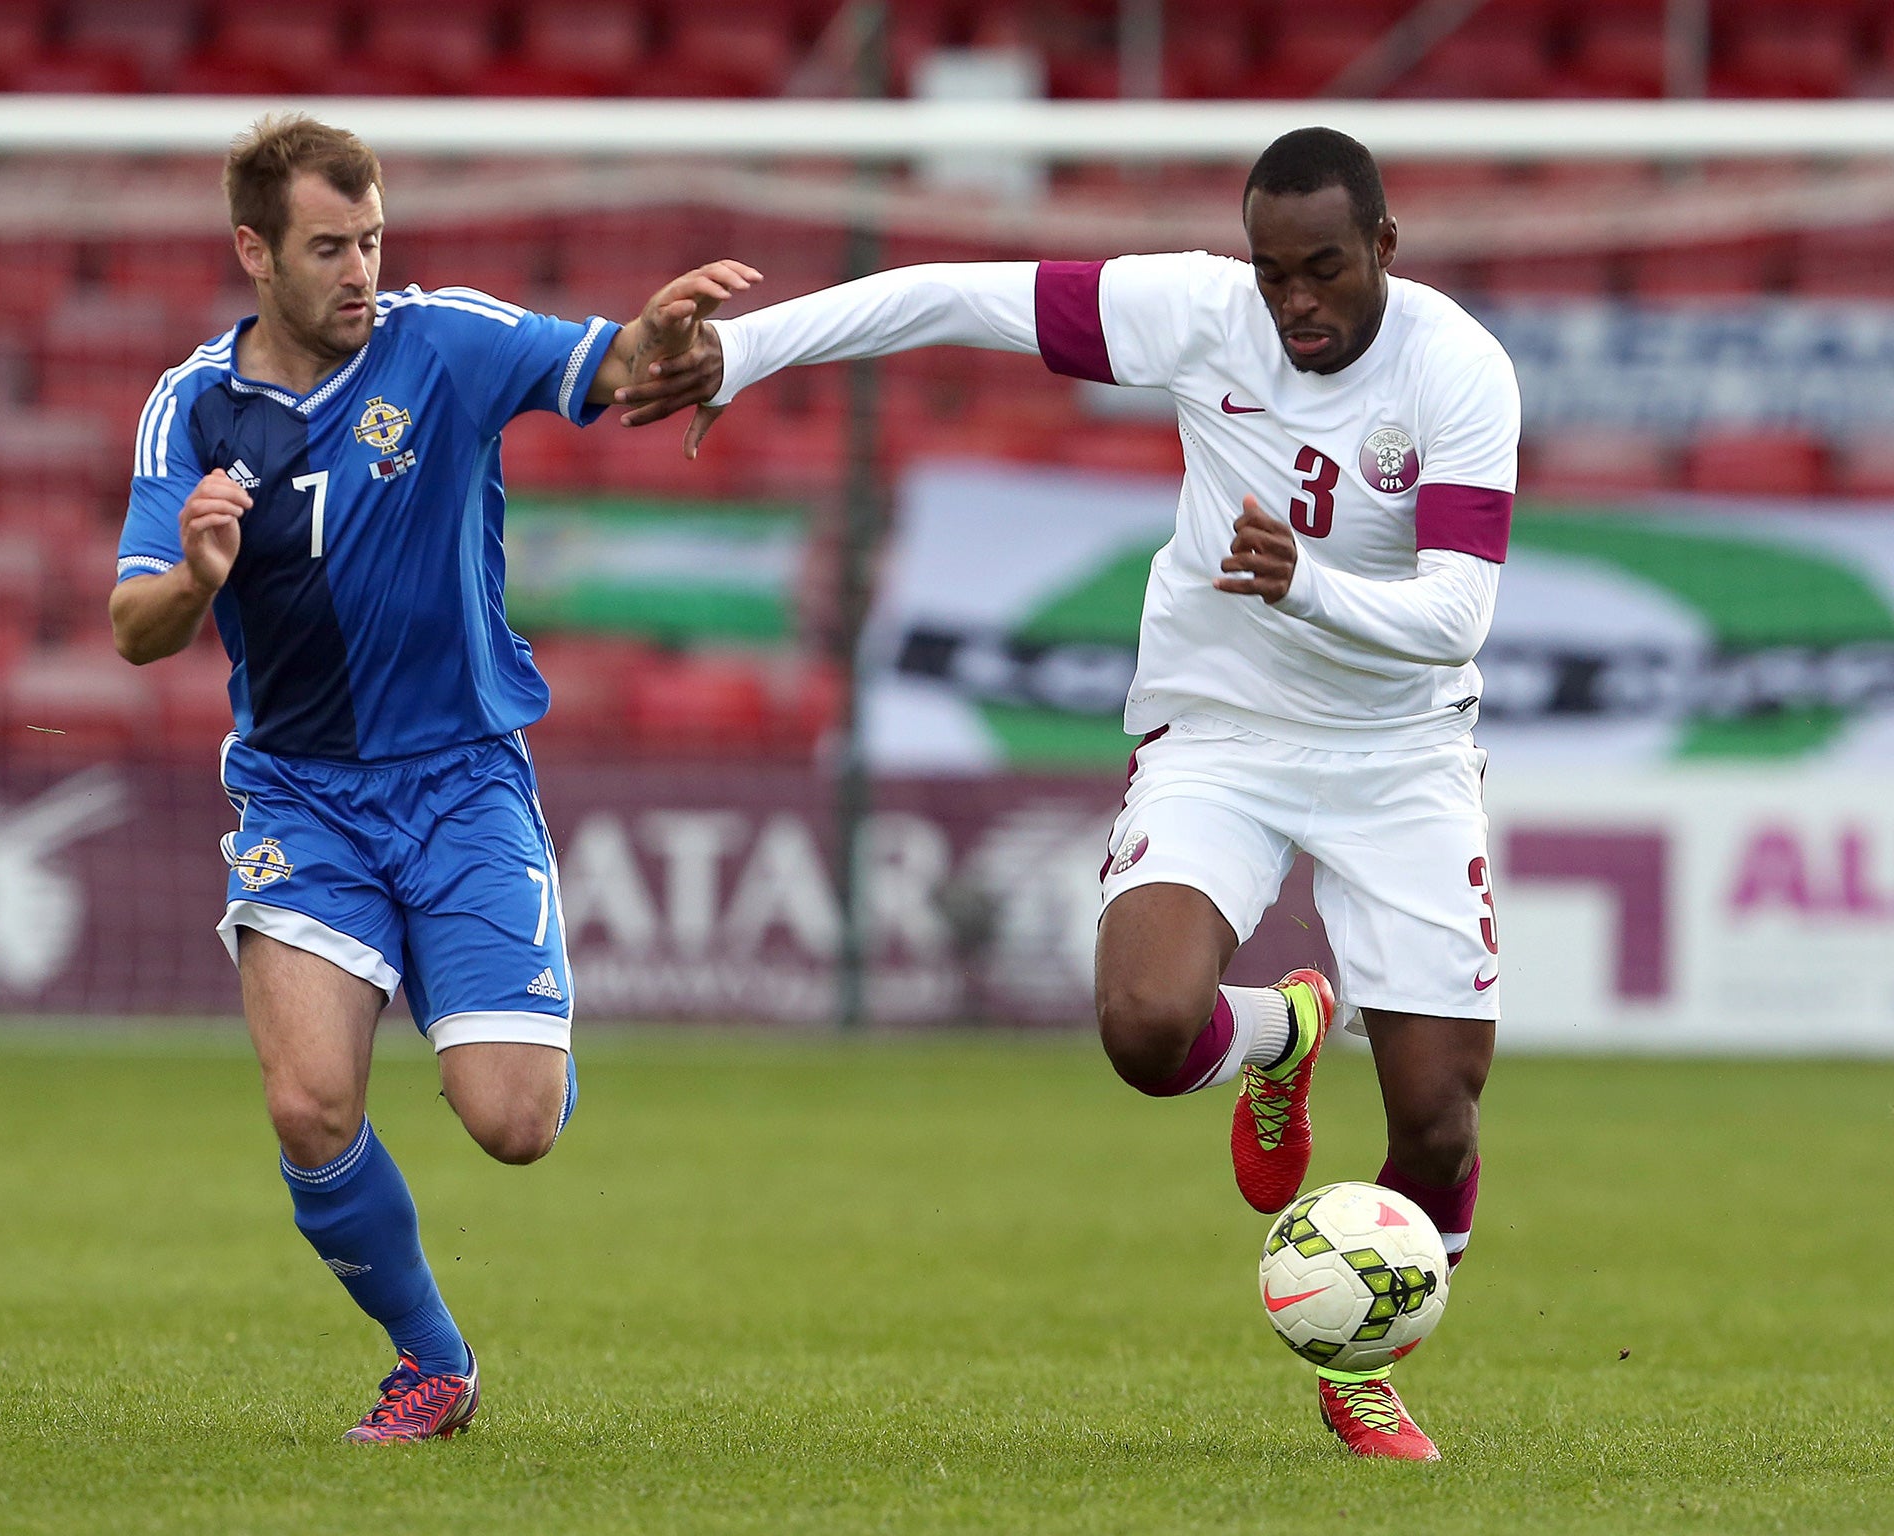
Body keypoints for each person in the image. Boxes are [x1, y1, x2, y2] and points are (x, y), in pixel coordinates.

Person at [619, 126, 1516, 1463]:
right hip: (1220, 729)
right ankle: (1280, 1039)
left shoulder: (1457, 370)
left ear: (1383, 247)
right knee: (1146, 1029)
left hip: (1401, 755)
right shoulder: (1204, 311)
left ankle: (1367, 1362)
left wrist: (1307, 585)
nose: (1296, 304)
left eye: (1324, 270)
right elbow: (952, 292)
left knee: (1438, 1119)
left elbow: (1458, 615)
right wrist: (745, 352)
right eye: (1275, 274)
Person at [110, 112, 757, 1443]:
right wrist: (196, 578)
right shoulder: (194, 408)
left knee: (511, 1123)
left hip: (462, 781)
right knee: (306, 1106)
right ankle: (433, 1362)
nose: (360, 271)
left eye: (373, 240)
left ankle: (501, 1021)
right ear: (254, 250)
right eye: (329, 247)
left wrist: (664, 339)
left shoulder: (444, 342)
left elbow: (610, 365)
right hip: (302, 797)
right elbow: (135, 628)